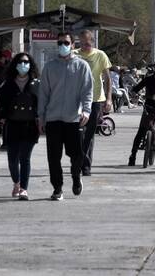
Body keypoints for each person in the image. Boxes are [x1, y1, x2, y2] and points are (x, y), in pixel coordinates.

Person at [38, 32, 93, 201]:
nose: (63, 46)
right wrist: (41, 116)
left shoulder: (82, 66)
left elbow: (87, 91)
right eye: (60, 43)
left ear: (73, 45)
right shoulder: (49, 67)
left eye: (66, 43)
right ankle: (57, 188)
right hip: (53, 119)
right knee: (53, 157)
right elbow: (43, 93)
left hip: (73, 119)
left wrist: (86, 110)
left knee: (77, 155)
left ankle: (76, 176)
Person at [0, 52, 40, 200]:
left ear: (30, 65)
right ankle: (16, 182)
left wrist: (41, 118)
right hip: (12, 124)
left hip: (29, 125)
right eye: (20, 62)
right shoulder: (7, 84)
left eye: (26, 62)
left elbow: (41, 103)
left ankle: (24, 189)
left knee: (25, 158)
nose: (23, 65)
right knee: (12, 159)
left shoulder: (36, 84)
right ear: (15, 64)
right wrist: (1, 117)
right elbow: (1, 103)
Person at [76, 30, 112, 177]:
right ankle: (79, 160)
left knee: (89, 135)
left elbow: (108, 79)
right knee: (78, 133)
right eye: (82, 43)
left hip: (96, 99)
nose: (85, 46)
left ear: (92, 41)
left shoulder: (100, 55)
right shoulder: (74, 54)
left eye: (87, 43)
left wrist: (108, 99)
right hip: (77, 100)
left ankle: (85, 166)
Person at [128, 62, 155, 166]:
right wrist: (134, 94)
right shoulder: (149, 79)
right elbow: (136, 88)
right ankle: (133, 155)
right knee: (141, 131)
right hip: (149, 107)